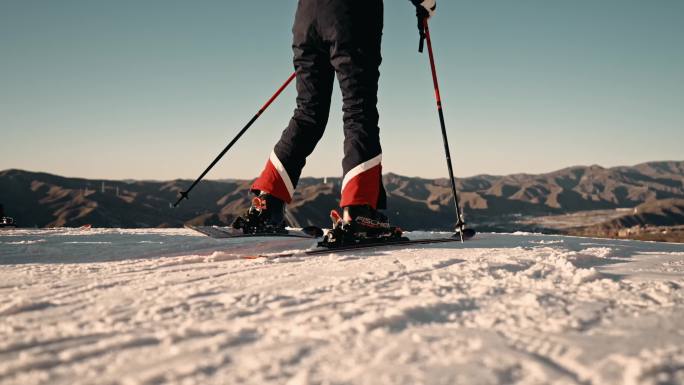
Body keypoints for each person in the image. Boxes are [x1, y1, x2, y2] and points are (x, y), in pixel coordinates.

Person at [235, 0, 437, 237]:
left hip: (307, 20)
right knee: (359, 110)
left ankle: (268, 203)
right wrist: (426, 4)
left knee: (308, 113)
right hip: (352, 16)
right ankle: (359, 210)